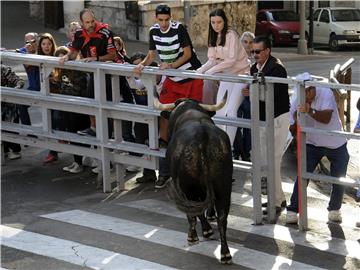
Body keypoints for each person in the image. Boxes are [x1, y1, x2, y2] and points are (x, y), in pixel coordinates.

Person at [134, 4, 203, 189]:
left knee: (193, 121)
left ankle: (194, 167)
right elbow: (150, 55)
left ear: (171, 18)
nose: (163, 23)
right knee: (164, 117)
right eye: (160, 20)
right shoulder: (153, 31)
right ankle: (164, 165)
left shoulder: (179, 28)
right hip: (172, 79)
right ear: (156, 18)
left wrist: (171, 65)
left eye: (166, 20)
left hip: (191, 76)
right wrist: (141, 65)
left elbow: (188, 54)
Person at [286, 72, 349, 224]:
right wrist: (296, 120)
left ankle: (334, 209)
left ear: (313, 87)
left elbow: (326, 119)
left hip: (335, 142)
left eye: (309, 90)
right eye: (304, 92)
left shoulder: (325, 91)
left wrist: (309, 111)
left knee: (339, 178)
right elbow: (292, 128)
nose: (308, 95)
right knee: (302, 176)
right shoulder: (296, 99)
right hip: (313, 143)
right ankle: (293, 209)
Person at [197, 8, 250, 147]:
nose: (216, 25)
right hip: (227, 75)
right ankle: (220, 144)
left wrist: (210, 73)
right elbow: (212, 60)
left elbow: (231, 60)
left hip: (241, 74)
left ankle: (229, 147)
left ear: (224, 21)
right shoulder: (213, 36)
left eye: (219, 22)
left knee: (231, 111)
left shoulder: (231, 35)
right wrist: (199, 71)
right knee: (219, 110)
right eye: (213, 22)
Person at [59, 8, 116, 136]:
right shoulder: (79, 34)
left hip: (109, 73)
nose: (90, 25)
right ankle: (94, 128)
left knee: (107, 104)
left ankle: (109, 134)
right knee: (91, 99)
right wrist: (66, 57)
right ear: (82, 22)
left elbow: (112, 55)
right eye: (87, 22)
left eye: (92, 21)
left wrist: (95, 59)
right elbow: (73, 51)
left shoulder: (106, 33)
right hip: (92, 73)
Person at [250, 36, 290, 215]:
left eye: (257, 52)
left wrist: (251, 91)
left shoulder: (277, 68)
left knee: (273, 160)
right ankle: (278, 198)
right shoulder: (254, 68)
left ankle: (275, 201)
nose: (254, 55)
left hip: (278, 118)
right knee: (268, 160)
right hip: (264, 119)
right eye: (252, 51)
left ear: (267, 51)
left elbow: (271, 95)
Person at [54, 46, 91, 173]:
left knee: (79, 134)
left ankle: (81, 161)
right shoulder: (60, 73)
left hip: (79, 109)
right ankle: (76, 161)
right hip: (67, 108)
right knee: (71, 134)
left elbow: (79, 90)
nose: (61, 62)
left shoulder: (78, 72)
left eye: (63, 58)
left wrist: (64, 94)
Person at [36, 33, 60, 163]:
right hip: (44, 96)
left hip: (57, 95)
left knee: (56, 119)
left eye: (49, 44)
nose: (46, 46)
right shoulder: (37, 58)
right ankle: (53, 151)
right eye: (44, 44)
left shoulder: (57, 58)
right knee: (48, 123)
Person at [233, 31, 255, 161]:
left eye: (250, 42)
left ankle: (246, 152)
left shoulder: (256, 58)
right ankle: (238, 151)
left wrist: (251, 91)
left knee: (248, 126)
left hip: (249, 97)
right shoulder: (235, 58)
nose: (247, 45)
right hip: (236, 95)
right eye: (245, 42)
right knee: (235, 124)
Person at [1, 64, 25, 160]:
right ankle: (4, 150)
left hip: (7, 105)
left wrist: (14, 90)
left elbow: (19, 81)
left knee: (10, 122)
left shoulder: (3, 69)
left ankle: (14, 150)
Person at [16, 32, 40, 126]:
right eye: (27, 42)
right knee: (20, 105)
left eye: (33, 41)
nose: (30, 44)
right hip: (34, 89)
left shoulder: (43, 49)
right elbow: (14, 52)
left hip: (49, 88)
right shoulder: (24, 51)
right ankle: (30, 132)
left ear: (37, 41)